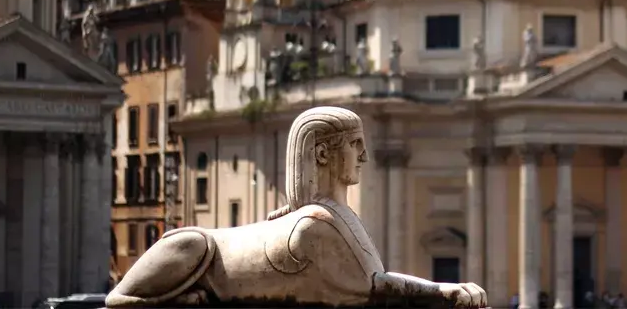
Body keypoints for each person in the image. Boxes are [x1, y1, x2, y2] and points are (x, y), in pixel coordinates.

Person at [106, 106, 487, 308]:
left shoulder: (334, 219)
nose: (365, 155)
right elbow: (371, 287)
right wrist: (442, 291)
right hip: (198, 259)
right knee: (194, 243)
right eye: (354, 144)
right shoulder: (313, 226)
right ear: (323, 153)